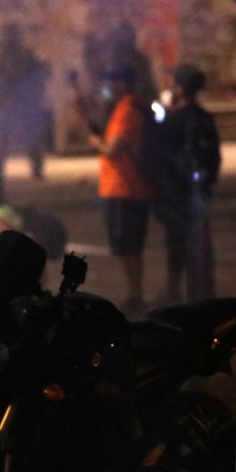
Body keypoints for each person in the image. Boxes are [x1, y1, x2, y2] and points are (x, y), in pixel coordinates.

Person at [87, 64, 154, 315]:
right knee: (128, 246)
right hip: (126, 188)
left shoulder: (128, 110)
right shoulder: (127, 108)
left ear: (121, 84)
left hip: (126, 188)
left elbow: (112, 149)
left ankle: (136, 295)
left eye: (110, 84)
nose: (106, 89)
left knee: (129, 246)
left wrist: (95, 143)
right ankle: (135, 293)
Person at [151, 64, 222, 304]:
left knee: (177, 246)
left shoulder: (173, 121)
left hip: (176, 193)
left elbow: (159, 158)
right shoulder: (204, 118)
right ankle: (203, 294)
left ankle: (174, 294)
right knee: (201, 246)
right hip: (198, 192)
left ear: (180, 89)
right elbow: (214, 157)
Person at [0, 21, 52, 192]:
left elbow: (43, 73)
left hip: (23, 106)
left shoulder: (27, 58)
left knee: (31, 139)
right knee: (0, 141)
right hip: (4, 106)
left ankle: (36, 168)